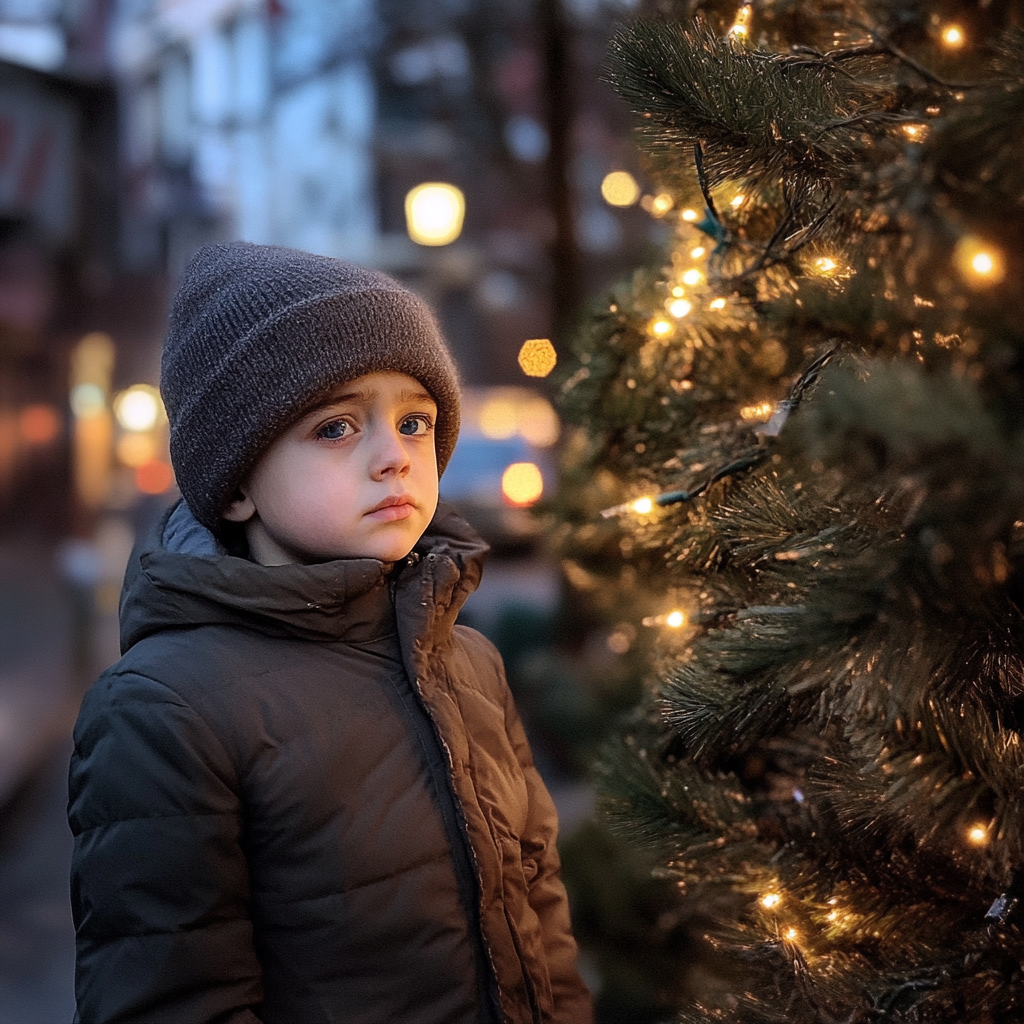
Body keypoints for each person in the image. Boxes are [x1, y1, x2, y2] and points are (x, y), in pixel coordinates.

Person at [67, 242, 593, 1024]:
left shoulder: (467, 660)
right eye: (338, 427)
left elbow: (539, 914)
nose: (394, 458)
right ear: (238, 482)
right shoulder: (164, 710)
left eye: (415, 422)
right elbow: (172, 993)